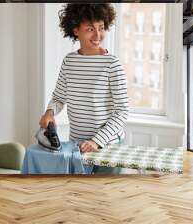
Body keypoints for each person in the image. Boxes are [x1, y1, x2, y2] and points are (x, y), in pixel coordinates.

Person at [39, 3, 129, 166]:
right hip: (78, 145)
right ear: (75, 30)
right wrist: (50, 112)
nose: (97, 35)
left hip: (108, 145)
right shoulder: (69, 61)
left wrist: (96, 141)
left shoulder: (112, 64)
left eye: (101, 28)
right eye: (90, 29)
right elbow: (59, 97)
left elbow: (122, 111)